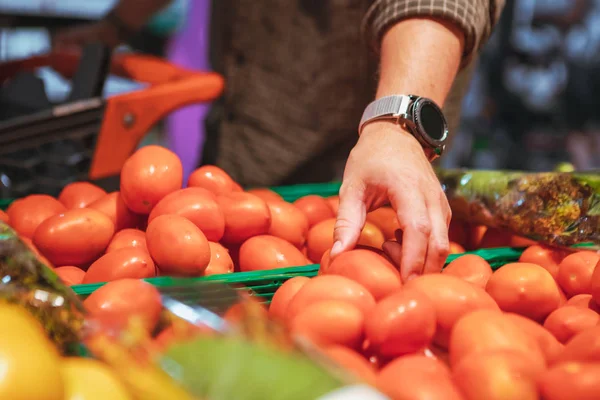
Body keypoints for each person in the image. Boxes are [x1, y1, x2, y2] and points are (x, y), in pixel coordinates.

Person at [54, 0, 505, 282]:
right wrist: (114, 27)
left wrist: (396, 121)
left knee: (359, 233)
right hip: (246, 130)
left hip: (357, 152)